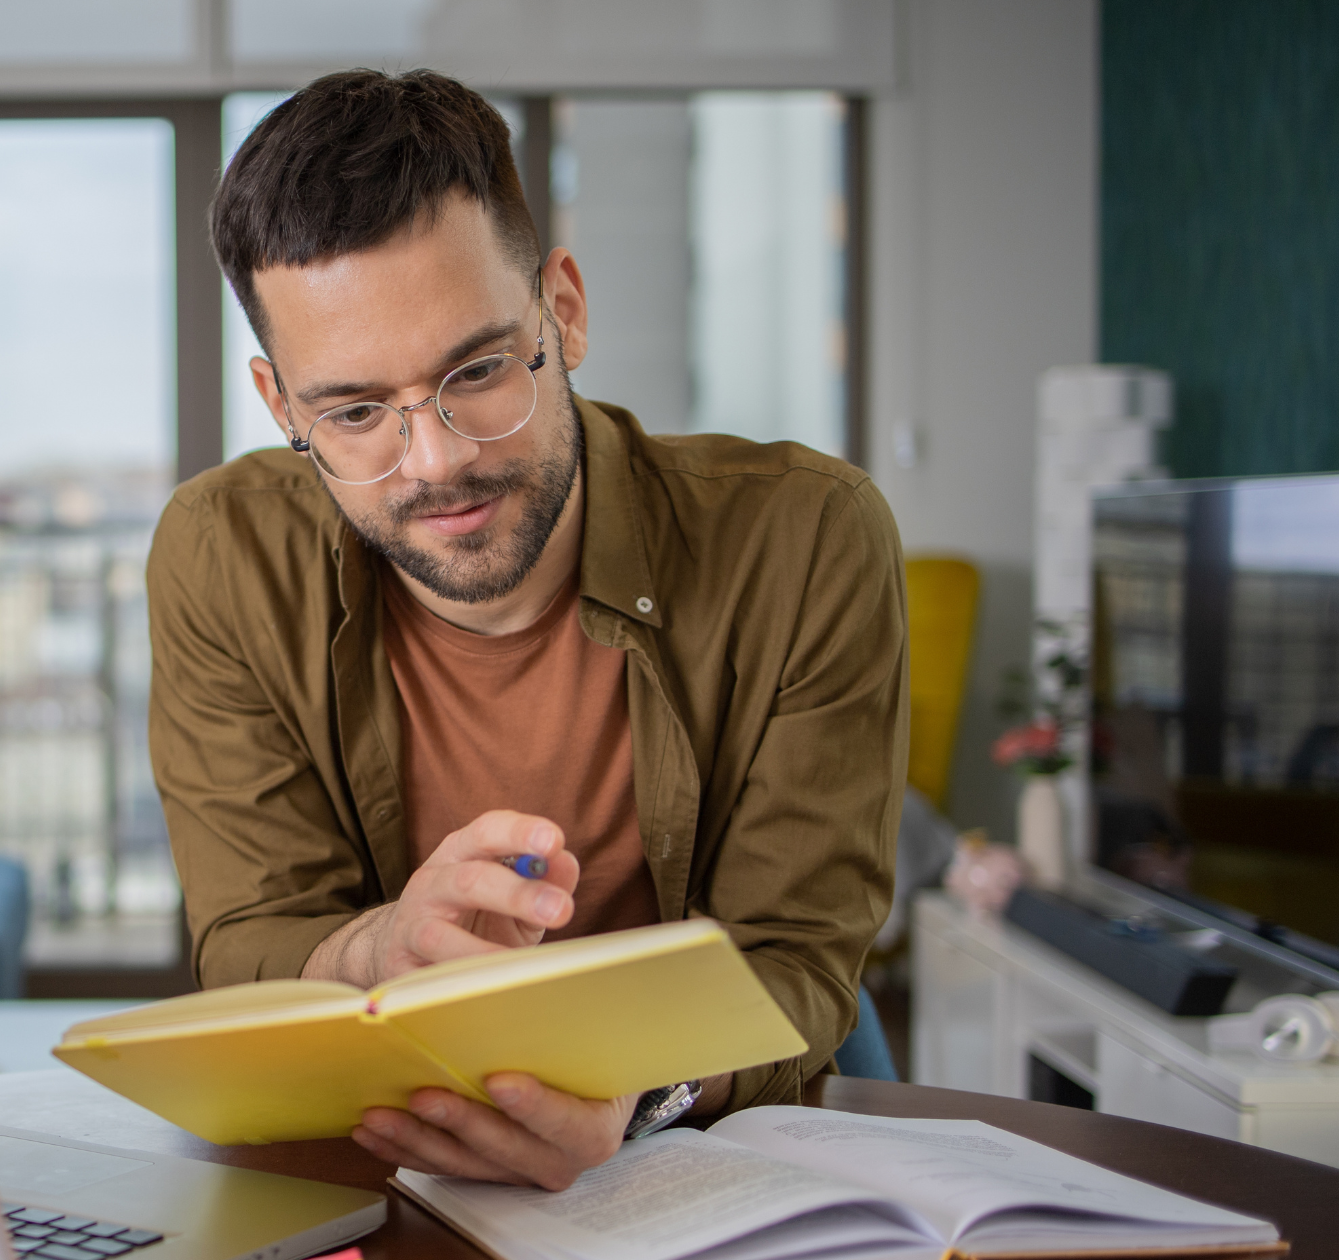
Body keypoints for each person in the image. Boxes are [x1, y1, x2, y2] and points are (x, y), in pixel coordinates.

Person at [147, 69, 905, 1191]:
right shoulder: (222, 553)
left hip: (698, 1163)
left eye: (478, 370)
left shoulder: (808, 538)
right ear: (279, 405)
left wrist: (636, 1096)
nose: (438, 457)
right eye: (355, 412)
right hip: (389, 1167)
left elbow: (793, 957)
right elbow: (251, 937)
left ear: (564, 310)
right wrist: (383, 946)